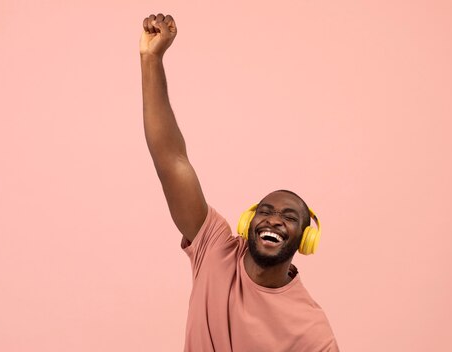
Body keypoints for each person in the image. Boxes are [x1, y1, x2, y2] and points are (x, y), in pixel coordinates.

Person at [140, 13, 339, 352]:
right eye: (266, 210)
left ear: (306, 238)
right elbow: (171, 160)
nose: (274, 219)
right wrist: (151, 59)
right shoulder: (214, 247)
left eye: (289, 217)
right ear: (249, 222)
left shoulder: (312, 332)